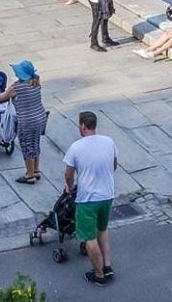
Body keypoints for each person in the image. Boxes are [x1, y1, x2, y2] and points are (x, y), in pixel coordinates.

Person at [63, 111, 119, 285]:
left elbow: (68, 174)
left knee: (90, 238)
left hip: (87, 199)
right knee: (102, 230)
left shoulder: (76, 147)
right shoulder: (108, 142)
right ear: (95, 125)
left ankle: (99, 275)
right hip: (107, 195)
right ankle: (107, 266)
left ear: (82, 126)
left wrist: (70, 188)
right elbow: (114, 164)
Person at [0, 60, 48, 184]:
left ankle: (30, 175)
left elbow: (2, 98)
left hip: (27, 121)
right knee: (35, 142)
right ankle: (36, 170)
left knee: (27, 146)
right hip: (41, 117)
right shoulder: (36, 82)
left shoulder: (17, 87)